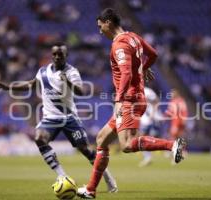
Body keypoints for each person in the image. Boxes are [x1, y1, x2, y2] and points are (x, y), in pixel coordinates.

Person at [77, 8, 186, 199]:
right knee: (102, 139)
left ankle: (172, 145)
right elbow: (153, 54)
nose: (99, 30)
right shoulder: (133, 37)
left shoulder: (119, 45)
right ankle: (91, 190)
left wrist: (119, 99)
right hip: (136, 97)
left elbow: (126, 73)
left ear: (108, 22)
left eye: (100, 25)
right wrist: (143, 68)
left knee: (126, 145)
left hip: (129, 100)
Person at [0, 43, 117, 193]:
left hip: (69, 117)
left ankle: (108, 177)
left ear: (66, 56)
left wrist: (67, 81)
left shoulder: (72, 72)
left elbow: (80, 92)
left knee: (84, 149)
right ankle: (62, 176)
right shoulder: (43, 72)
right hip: (50, 117)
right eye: (55, 54)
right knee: (39, 138)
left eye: (61, 54)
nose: (57, 57)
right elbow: (31, 84)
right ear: (51, 55)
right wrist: (9, 87)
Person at [138, 87, 164, 167]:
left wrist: (153, 113)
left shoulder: (147, 91)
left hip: (151, 118)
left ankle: (171, 151)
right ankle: (148, 157)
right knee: (143, 138)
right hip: (144, 119)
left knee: (151, 138)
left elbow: (156, 101)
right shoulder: (133, 91)